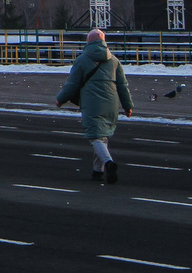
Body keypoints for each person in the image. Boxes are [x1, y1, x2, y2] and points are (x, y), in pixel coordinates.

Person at [56, 28, 136, 183]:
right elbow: (123, 86)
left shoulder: (82, 60)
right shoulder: (114, 60)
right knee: (102, 136)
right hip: (112, 104)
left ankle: (108, 163)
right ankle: (97, 171)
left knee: (95, 137)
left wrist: (61, 99)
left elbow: (72, 84)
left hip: (92, 104)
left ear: (88, 42)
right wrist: (127, 106)